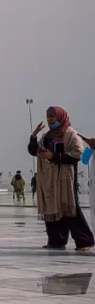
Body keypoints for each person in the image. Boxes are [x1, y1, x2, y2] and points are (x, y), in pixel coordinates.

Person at [27, 106, 94, 251]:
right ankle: (56, 241)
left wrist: (54, 156)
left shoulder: (71, 135)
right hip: (49, 180)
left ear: (60, 116)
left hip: (66, 179)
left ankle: (84, 242)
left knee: (70, 209)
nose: (50, 119)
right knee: (52, 209)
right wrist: (33, 136)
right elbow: (34, 151)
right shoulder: (47, 136)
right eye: (48, 116)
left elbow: (77, 156)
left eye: (52, 116)